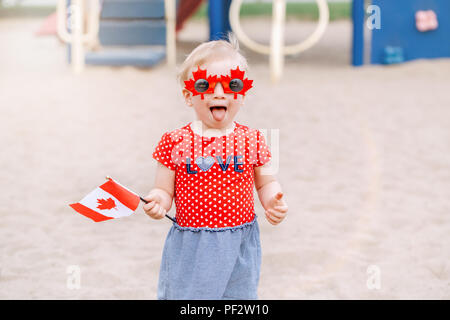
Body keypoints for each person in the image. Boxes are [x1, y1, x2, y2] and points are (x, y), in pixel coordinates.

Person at [143, 35, 288, 300]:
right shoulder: (174, 141)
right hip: (192, 244)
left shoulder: (253, 139)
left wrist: (273, 201)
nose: (219, 93)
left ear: (242, 94)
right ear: (188, 96)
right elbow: (164, 190)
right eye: (205, 85)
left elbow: (266, 182)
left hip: (240, 243)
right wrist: (158, 202)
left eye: (232, 84)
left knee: (238, 297)